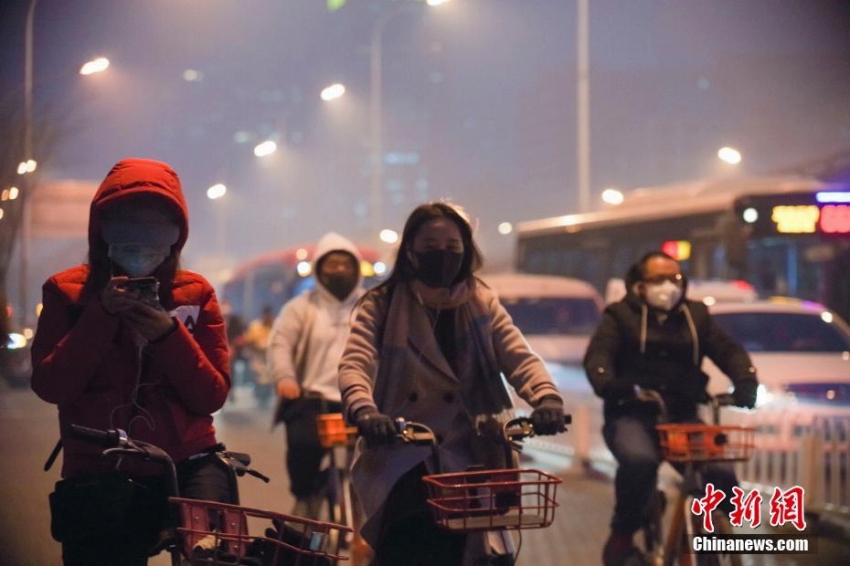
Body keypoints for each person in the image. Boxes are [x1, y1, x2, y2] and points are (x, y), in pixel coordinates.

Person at [338, 202, 567, 565]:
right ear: (410, 252)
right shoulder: (380, 305)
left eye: (451, 246)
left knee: (488, 553)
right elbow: (355, 363)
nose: (441, 255)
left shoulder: (482, 301)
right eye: (430, 247)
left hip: (473, 451)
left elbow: (518, 356)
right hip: (403, 449)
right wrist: (365, 411)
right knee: (409, 538)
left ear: (466, 250)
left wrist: (547, 399)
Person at [30, 158, 232, 565]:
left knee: (219, 551)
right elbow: (51, 386)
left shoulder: (195, 293)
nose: (142, 253)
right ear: (102, 233)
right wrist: (100, 316)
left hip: (186, 461)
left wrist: (168, 335)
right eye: (129, 240)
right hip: (101, 465)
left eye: (155, 240)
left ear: (175, 238)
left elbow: (211, 395)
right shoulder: (66, 292)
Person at [583, 251, 759, 566]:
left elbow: (728, 350)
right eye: (657, 279)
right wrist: (611, 383)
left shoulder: (696, 316)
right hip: (632, 413)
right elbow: (599, 357)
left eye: (674, 278)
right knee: (639, 463)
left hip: (683, 417)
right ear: (638, 286)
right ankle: (623, 535)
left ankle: (711, 540)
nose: (668, 286)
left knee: (719, 472)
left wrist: (745, 381)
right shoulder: (619, 317)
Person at [267, 232, 365, 519]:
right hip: (312, 399)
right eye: (331, 265)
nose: (339, 271)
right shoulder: (300, 308)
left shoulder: (371, 306)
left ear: (356, 268)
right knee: (302, 448)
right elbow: (281, 344)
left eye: (346, 265)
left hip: (361, 400)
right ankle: (305, 498)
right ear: (319, 269)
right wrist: (286, 378)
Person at [242, 305, 275, 407]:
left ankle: (267, 398)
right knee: (259, 378)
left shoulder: (275, 326)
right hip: (257, 356)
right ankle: (259, 397)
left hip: (270, 356)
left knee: (269, 378)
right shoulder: (255, 326)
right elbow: (248, 341)